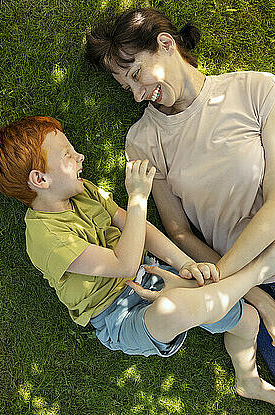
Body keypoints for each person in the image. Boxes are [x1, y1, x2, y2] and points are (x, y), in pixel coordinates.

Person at [0, 115, 275, 404]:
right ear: (40, 179)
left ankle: (247, 381)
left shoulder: (83, 193)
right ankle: (256, 273)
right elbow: (124, 264)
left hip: (153, 273)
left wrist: (185, 264)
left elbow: (139, 229)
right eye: (68, 154)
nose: (80, 156)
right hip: (116, 314)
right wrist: (137, 199)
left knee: (247, 320)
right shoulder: (46, 237)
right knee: (174, 309)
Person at [85, 7, 275, 375]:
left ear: (166, 44)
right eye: (128, 88)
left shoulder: (257, 89)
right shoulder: (143, 140)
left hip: (231, 279)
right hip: (250, 287)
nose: (139, 95)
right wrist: (254, 296)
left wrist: (223, 284)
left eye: (137, 74)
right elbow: (179, 232)